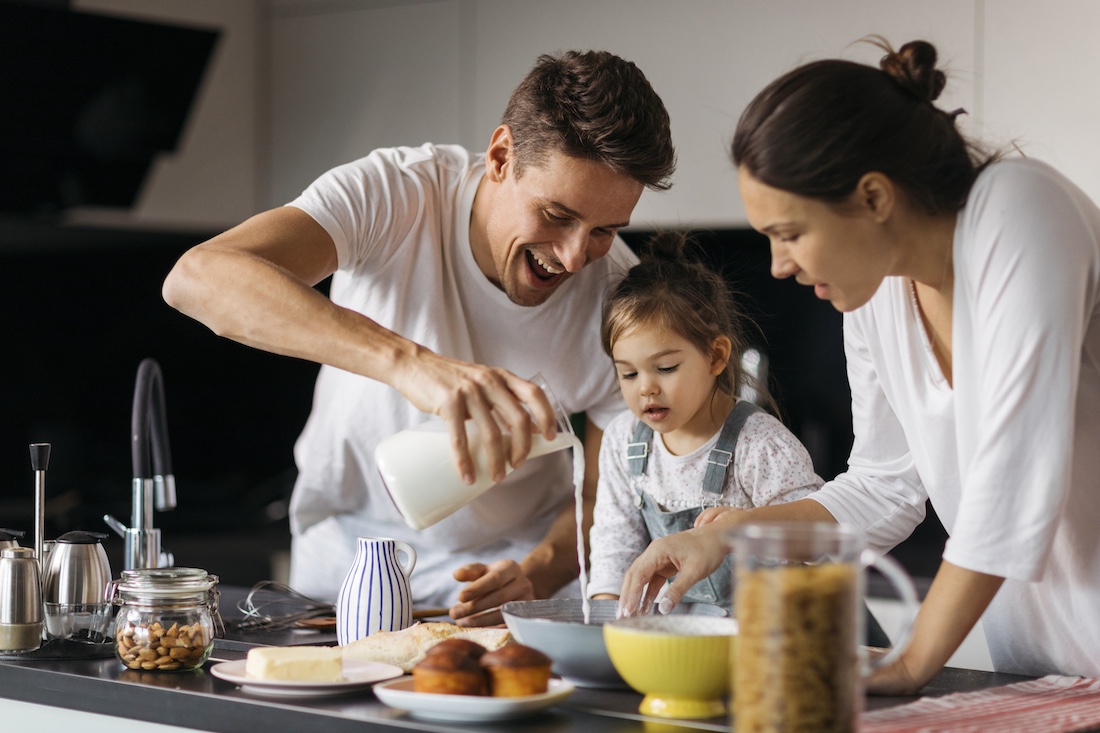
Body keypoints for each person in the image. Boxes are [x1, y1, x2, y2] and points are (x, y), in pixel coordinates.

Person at [618, 37, 1100, 691]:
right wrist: (735, 535)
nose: (779, 266)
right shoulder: (877, 292)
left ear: (874, 197)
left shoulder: (1019, 210)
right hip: (1045, 671)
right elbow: (884, 485)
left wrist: (908, 661)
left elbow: (1012, 490)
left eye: (790, 234)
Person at [162, 50, 676, 625]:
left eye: (604, 230)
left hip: (509, 583)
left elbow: (600, 496)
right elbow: (198, 279)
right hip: (347, 561)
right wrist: (410, 364)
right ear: (502, 156)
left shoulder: (623, 305)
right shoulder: (398, 194)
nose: (576, 256)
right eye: (556, 214)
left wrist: (537, 571)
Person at [586, 231, 823, 611]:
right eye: (628, 374)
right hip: (686, 636)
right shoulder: (622, 440)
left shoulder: (761, 446)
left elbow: (817, 545)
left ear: (716, 356)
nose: (645, 388)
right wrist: (608, 618)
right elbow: (616, 543)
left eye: (665, 368)